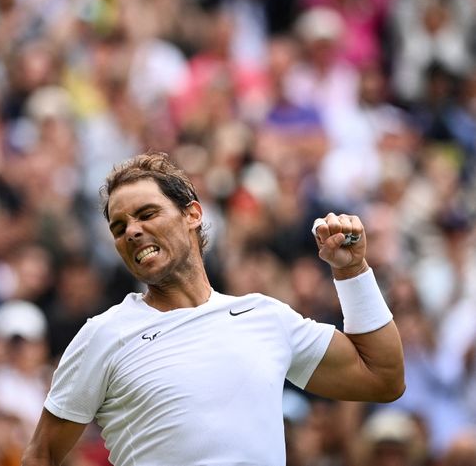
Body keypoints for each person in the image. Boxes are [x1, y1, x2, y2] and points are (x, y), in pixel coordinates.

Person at [22, 151, 405, 465]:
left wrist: (352, 270)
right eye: (119, 227)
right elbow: (40, 454)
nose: (132, 232)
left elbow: (383, 377)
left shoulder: (265, 317)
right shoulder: (104, 334)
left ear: (193, 214)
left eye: (146, 214)